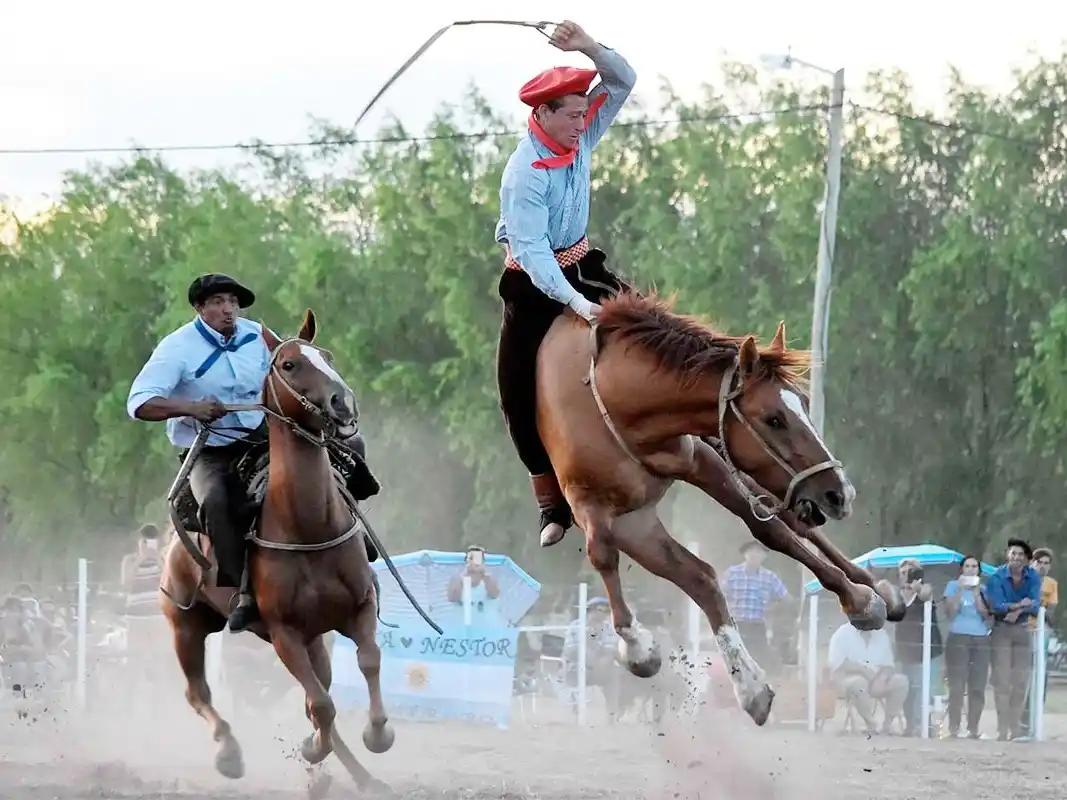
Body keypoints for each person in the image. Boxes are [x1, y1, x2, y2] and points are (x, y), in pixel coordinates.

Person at [126, 273, 380, 632]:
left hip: (262, 433)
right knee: (216, 501)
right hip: (211, 446)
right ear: (200, 308)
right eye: (217, 302)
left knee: (347, 449)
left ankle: (353, 537)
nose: (228, 309)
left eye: (232, 301)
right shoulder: (177, 348)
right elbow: (139, 403)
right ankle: (244, 592)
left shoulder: (256, 337)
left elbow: (289, 372)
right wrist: (192, 407)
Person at [494, 20, 637, 549]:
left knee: (653, 328)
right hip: (532, 283)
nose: (584, 122)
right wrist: (581, 306)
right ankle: (551, 502)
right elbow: (533, 256)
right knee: (514, 393)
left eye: (585, 113)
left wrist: (588, 47)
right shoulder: (524, 174)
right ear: (544, 114)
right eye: (574, 115)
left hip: (584, 262)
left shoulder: (581, 128)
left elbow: (623, 82)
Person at [986, 537, 1042, 741]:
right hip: (1002, 628)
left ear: (1026, 558)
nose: (1016, 557)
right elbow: (997, 605)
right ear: (1007, 555)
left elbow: (1035, 604)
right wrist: (1021, 606)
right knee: (1001, 680)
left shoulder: (1033, 576)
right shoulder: (997, 576)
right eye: (1013, 553)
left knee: (1020, 681)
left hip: (1023, 629)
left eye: (1020, 554)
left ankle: (1015, 727)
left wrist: (1016, 611)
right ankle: (1002, 728)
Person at [827, 620, 909, 735]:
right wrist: (863, 670)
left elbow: (888, 665)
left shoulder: (881, 635)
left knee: (901, 681)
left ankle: (887, 725)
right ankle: (870, 724)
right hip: (848, 678)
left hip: (876, 678)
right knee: (859, 683)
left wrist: (882, 678)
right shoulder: (842, 634)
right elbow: (838, 664)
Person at [942, 555, 991, 739]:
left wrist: (977, 594)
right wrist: (961, 591)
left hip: (980, 638)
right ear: (962, 569)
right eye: (968, 566)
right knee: (957, 684)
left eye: (974, 567)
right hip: (958, 636)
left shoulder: (984, 589)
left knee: (977, 685)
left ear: (979, 570)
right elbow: (951, 612)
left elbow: (987, 616)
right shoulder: (952, 586)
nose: (971, 570)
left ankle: (973, 728)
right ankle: (954, 727)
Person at [722, 541, 788, 672]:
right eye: (751, 551)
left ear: (764, 556)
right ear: (745, 554)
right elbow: (720, 595)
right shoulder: (732, 573)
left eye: (758, 552)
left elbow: (785, 597)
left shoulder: (769, 577)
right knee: (735, 660)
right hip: (736, 624)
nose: (754, 555)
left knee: (758, 659)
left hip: (757, 625)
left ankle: (759, 686)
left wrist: (773, 610)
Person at [894, 561, 943, 736]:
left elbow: (927, 593)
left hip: (928, 653)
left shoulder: (923, 592)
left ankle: (922, 725)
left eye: (910, 572)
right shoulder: (896, 598)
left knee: (925, 690)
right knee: (908, 691)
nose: (906, 576)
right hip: (906, 654)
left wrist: (918, 587)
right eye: (903, 572)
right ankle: (911, 725)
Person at [1019, 546, 1058, 740]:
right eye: (1039, 562)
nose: (1042, 566)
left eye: (1046, 563)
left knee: (1040, 677)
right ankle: (1019, 723)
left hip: (1041, 631)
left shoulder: (1051, 584)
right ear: (1032, 563)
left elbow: (1049, 610)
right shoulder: (1023, 580)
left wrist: (1035, 606)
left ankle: (1034, 721)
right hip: (1023, 630)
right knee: (1022, 676)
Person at [447, 545, 504, 626]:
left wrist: (483, 573)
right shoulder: (457, 579)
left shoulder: (489, 579)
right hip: (463, 626)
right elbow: (452, 598)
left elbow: (494, 594)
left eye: (477, 558)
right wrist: (464, 576)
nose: (474, 561)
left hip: (486, 625)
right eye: (471, 558)